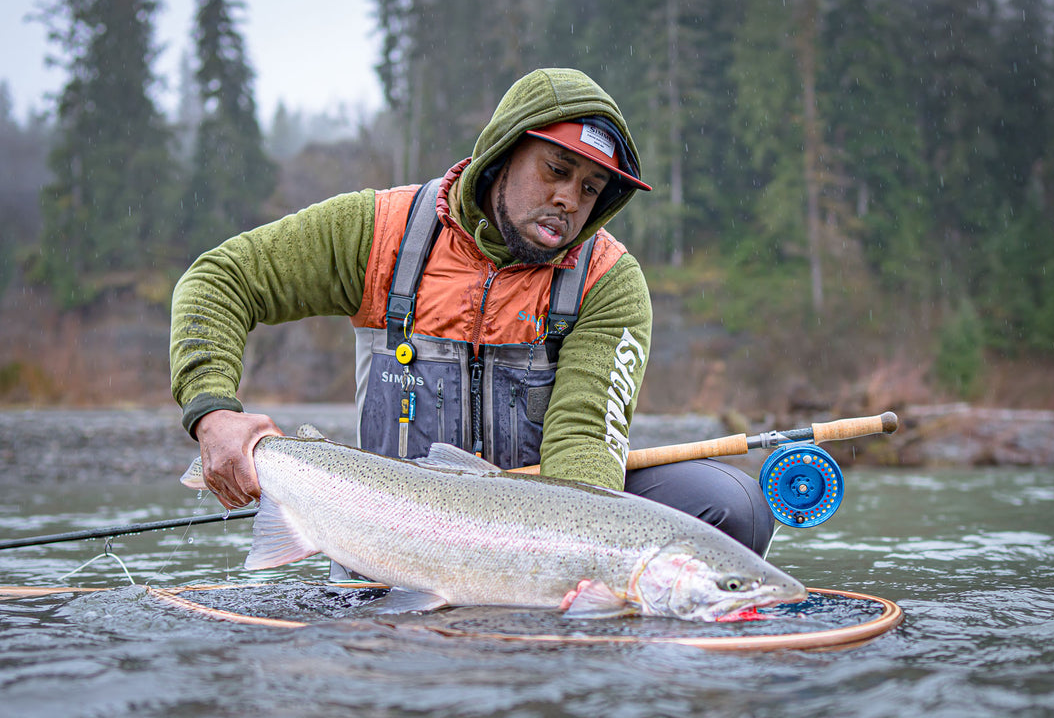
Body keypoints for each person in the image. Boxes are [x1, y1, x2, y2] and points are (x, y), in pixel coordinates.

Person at [169, 68, 773, 556]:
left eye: (590, 189)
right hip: (388, 524)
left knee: (732, 506)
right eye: (556, 170)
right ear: (502, 155)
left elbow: (583, 444)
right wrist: (213, 413)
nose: (569, 198)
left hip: (539, 517)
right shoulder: (376, 232)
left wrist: (584, 563)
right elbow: (222, 280)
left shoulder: (608, 281)